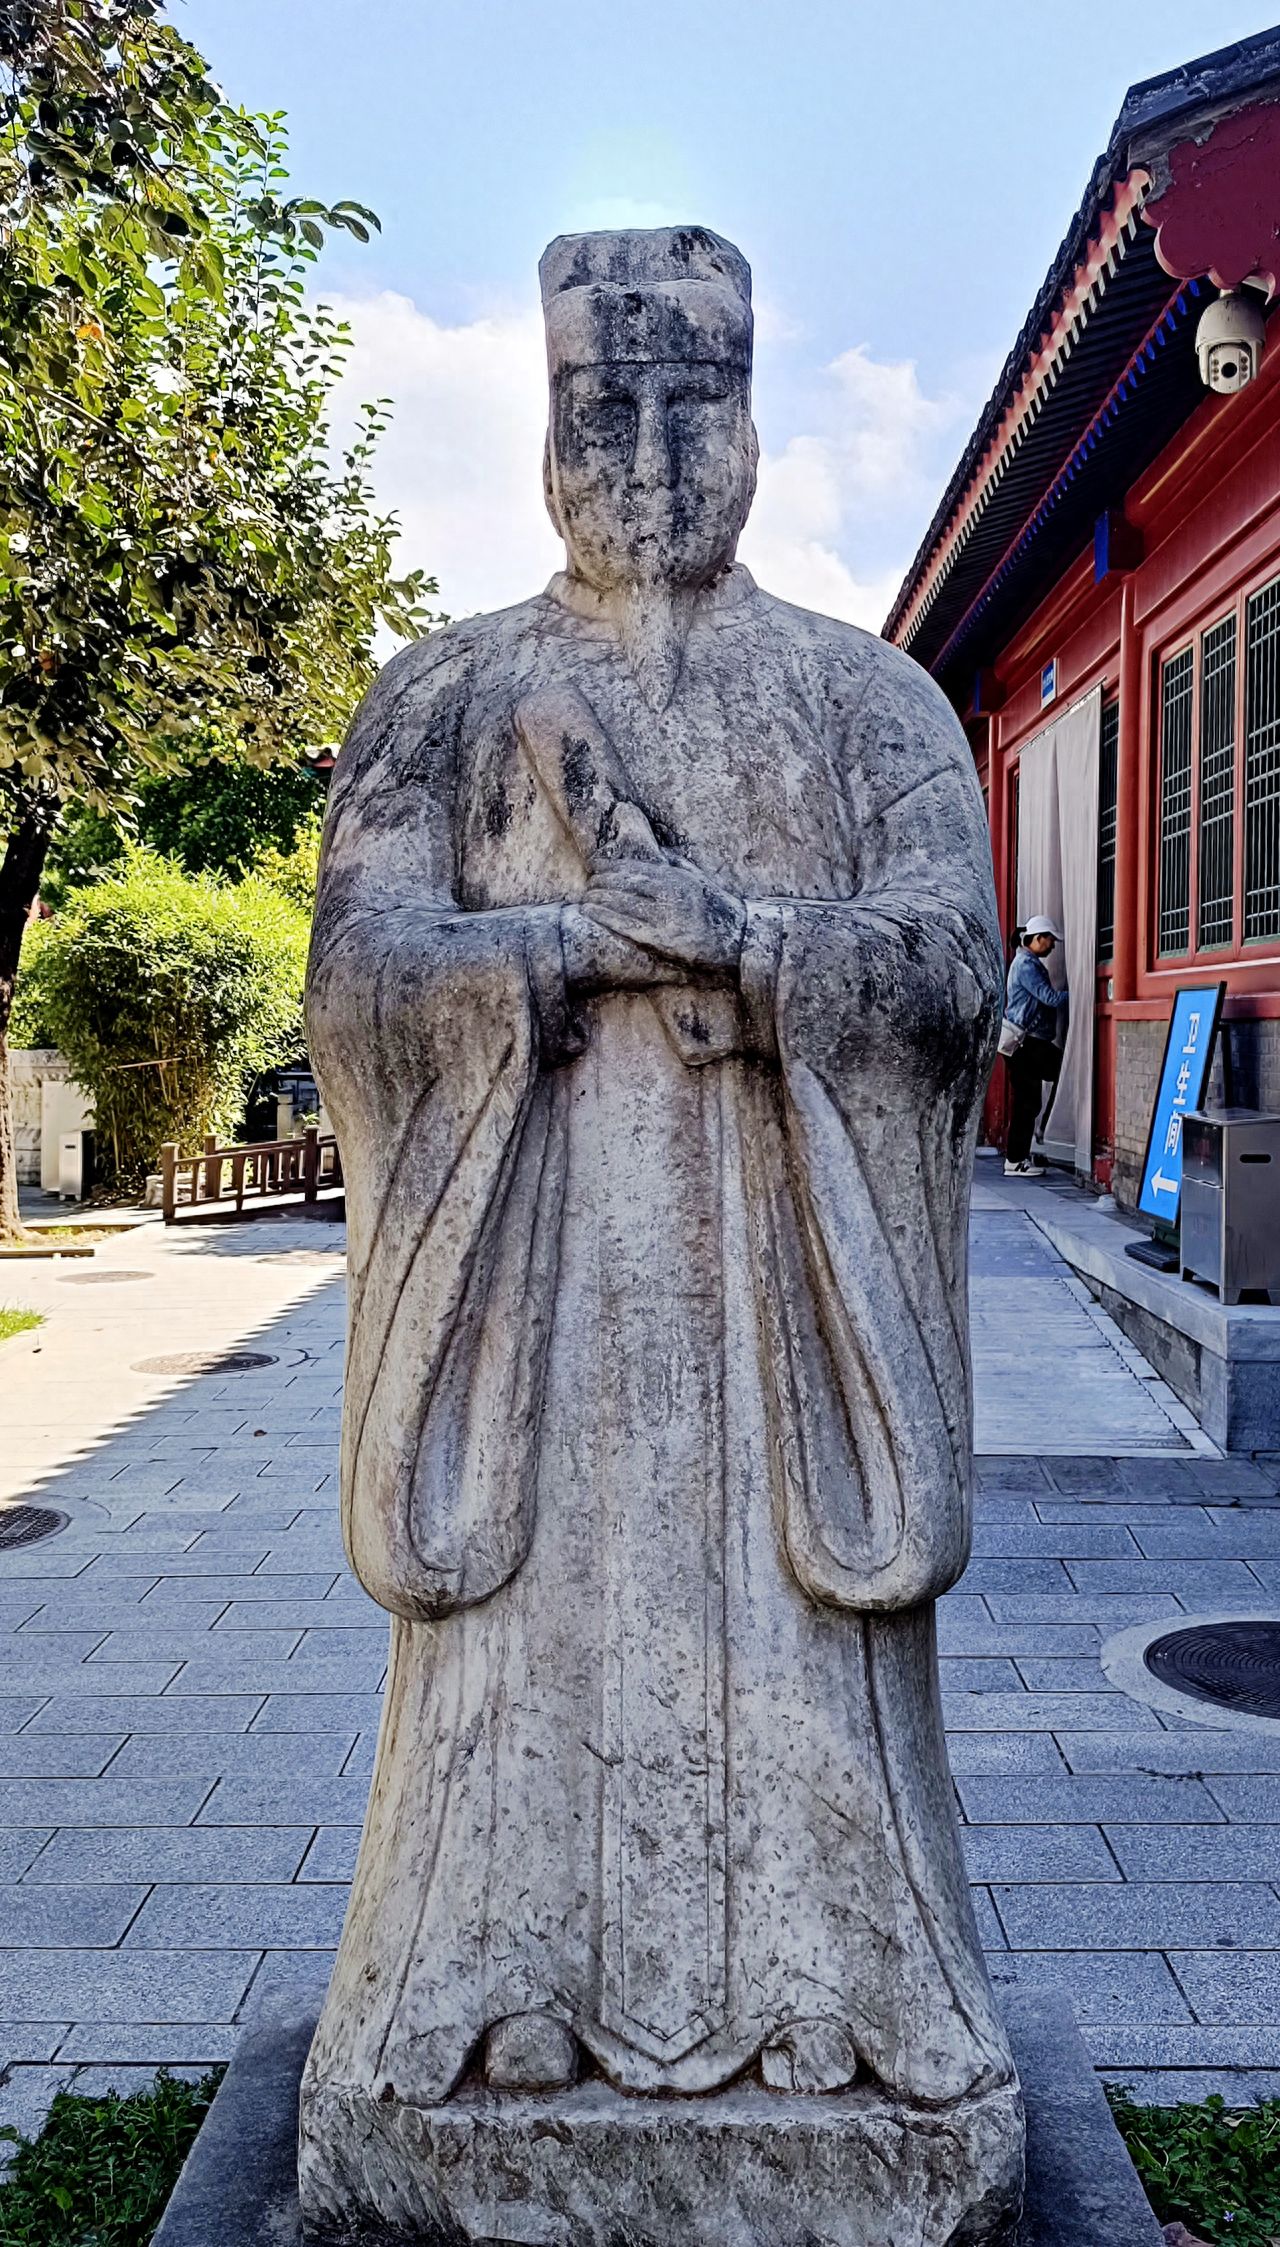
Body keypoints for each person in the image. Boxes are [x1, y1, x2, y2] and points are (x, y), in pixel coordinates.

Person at [299, 226, 1020, 2242]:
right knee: (521, 1654)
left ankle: (834, 1995)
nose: (646, 448)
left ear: (757, 418)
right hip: (531, 1287)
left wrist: (758, 947)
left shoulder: (864, 701)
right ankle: (487, 1991)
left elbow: (952, 963)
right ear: (542, 427)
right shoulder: (445, 698)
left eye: (692, 398)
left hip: (789, 1287)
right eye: (598, 404)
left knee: (798, 1641)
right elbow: (358, 975)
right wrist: (547, 950)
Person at [1004, 913, 1068, 1175]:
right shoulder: (1026, 965)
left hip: (1028, 1042)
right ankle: (1016, 1159)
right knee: (1030, 1100)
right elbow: (1049, 997)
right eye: (1050, 940)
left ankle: (1025, 1150)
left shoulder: (1025, 961)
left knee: (1029, 1101)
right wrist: (1082, 993)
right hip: (1026, 1043)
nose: (1052, 946)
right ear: (1038, 939)